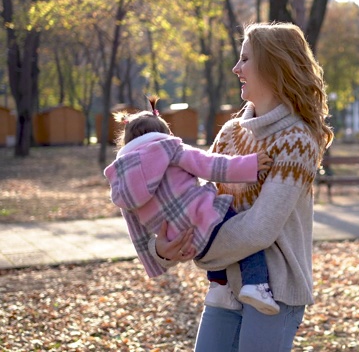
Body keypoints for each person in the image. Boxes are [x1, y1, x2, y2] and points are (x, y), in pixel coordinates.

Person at [150, 22, 334, 351]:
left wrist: (200, 251)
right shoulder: (230, 133)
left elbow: (260, 229)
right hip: (224, 288)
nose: (236, 69)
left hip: (274, 291)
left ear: (275, 66)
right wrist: (161, 250)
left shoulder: (297, 139)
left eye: (245, 59)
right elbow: (197, 209)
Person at [103, 96, 280, 315]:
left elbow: (135, 230)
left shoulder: (121, 181)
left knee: (214, 245)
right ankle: (256, 284)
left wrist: (154, 260)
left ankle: (219, 288)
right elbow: (210, 166)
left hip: (182, 243)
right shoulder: (171, 148)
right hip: (205, 218)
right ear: (164, 133)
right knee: (244, 233)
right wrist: (250, 165)